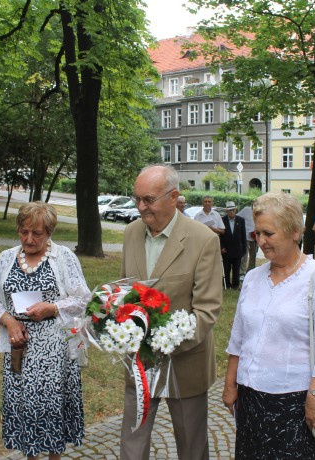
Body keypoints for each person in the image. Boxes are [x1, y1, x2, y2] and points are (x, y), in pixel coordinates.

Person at [223, 192, 315, 459]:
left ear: (294, 232)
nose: (261, 241)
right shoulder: (254, 278)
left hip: (293, 400)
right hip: (250, 397)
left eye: (268, 233)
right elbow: (239, 336)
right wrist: (231, 384)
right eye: (257, 234)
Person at [120, 165, 223, 460]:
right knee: (132, 446)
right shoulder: (131, 233)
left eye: (148, 199)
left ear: (173, 196)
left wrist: (163, 343)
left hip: (186, 364)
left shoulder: (203, 240)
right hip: (139, 364)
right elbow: (125, 293)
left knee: (191, 448)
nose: (141, 207)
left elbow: (207, 310)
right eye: (136, 198)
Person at [0, 202, 91, 460]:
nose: (29, 239)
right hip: (19, 347)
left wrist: (52, 307)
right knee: (24, 407)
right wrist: (9, 321)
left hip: (53, 349)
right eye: (23, 232)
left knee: (50, 407)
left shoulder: (64, 257)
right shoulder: (6, 258)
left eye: (37, 234)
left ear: (50, 233)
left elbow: (83, 300)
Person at [220, 201, 247, 289]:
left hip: (237, 249)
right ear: (226, 212)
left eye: (233, 210)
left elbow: (243, 235)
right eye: (229, 210)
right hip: (226, 249)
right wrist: (222, 247)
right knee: (226, 268)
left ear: (235, 210)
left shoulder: (241, 220)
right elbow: (220, 236)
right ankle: (227, 285)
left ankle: (235, 285)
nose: (232, 212)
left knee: (236, 269)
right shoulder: (222, 220)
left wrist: (244, 249)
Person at [237, 199, 257, 274]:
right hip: (245, 236)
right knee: (244, 255)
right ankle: (242, 272)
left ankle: (251, 271)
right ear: (252, 203)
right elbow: (237, 217)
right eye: (255, 203)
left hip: (255, 237)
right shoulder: (246, 210)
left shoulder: (259, 211)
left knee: (253, 255)